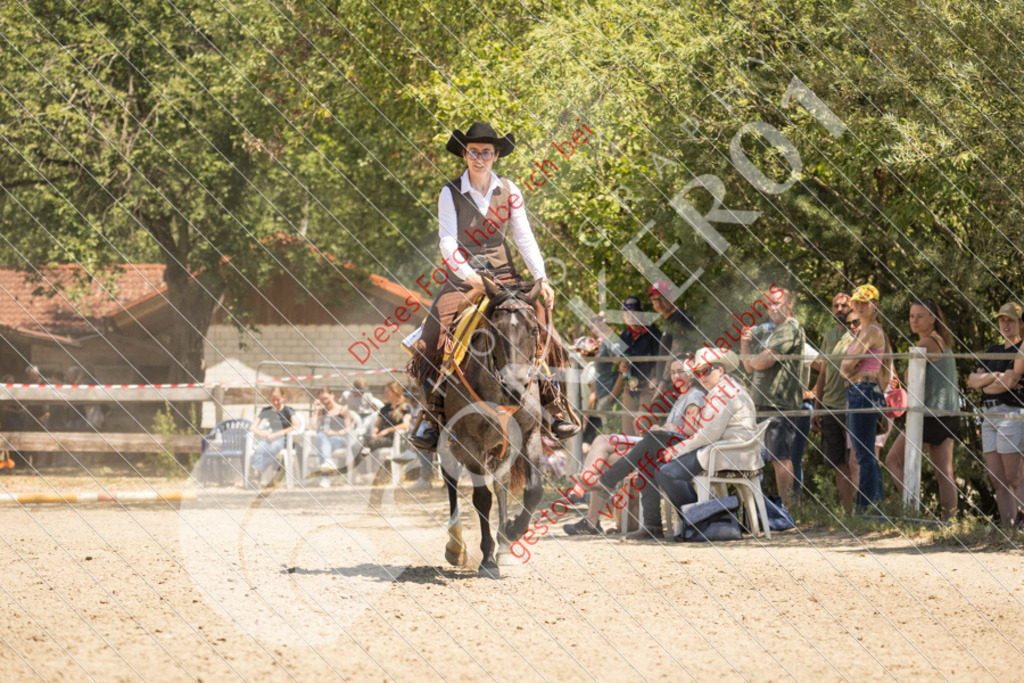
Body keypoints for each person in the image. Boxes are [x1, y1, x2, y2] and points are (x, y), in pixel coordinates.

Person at [409, 121, 577, 449]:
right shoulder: (449, 192)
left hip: (505, 277)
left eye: (486, 152)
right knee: (430, 341)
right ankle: (433, 414)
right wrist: (470, 276)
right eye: (473, 152)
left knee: (548, 331)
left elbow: (524, 237)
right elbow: (447, 242)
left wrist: (541, 277)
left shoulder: (510, 190)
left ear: (496, 155)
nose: (480, 158)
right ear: (464, 154)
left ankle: (553, 405)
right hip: (463, 280)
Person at [562, 359, 704, 538]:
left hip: (673, 450)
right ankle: (591, 493)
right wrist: (661, 428)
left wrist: (668, 428)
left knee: (606, 459)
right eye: (673, 372)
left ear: (691, 375)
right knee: (601, 440)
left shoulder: (694, 396)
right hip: (659, 444)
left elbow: (690, 430)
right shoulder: (683, 396)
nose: (676, 375)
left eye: (681, 371)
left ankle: (589, 502)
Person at [654, 348, 761, 514]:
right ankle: (700, 518)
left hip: (729, 453)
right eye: (698, 373)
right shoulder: (724, 389)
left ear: (720, 370)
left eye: (706, 371)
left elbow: (707, 436)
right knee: (665, 469)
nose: (702, 377)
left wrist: (676, 450)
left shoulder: (723, 394)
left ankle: (702, 518)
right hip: (732, 451)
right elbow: (706, 429)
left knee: (666, 472)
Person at [885, 298, 960, 520]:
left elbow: (911, 377)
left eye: (920, 316)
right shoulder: (943, 341)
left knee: (893, 461)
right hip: (949, 414)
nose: (914, 321)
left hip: (930, 416)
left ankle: (914, 512)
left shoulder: (927, 342)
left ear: (932, 318)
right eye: (911, 316)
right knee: (944, 473)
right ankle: (949, 522)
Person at [740, 288, 804, 508]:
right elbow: (750, 367)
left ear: (789, 304)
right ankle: (760, 510)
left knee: (780, 458)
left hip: (779, 404)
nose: (773, 308)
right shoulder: (772, 332)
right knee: (761, 459)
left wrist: (755, 358)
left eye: (777, 303)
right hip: (762, 403)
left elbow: (763, 362)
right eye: (769, 304)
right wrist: (746, 344)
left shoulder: (790, 328)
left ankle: (788, 510)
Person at [839, 285, 892, 512]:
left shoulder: (870, 331)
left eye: (865, 303)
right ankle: (873, 506)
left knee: (864, 455)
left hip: (863, 390)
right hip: (866, 390)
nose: (860, 307)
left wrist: (851, 369)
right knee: (866, 455)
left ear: (875, 305)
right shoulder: (872, 331)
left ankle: (867, 508)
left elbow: (846, 365)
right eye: (857, 302)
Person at [972, 303, 1024, 526]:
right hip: (988, 415)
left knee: (1014, 476)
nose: (1006, 324)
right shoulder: (993, 349)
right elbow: (971, 381)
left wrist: (986, 382)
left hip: (1010, 413)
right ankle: (1008, 528)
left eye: (1011, 320)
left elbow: (1011, 381)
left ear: (1020, 323)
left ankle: (1021, 525)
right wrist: (996, 377)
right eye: (1002, 319)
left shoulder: (1021, 349)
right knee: (998, 480)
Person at [812, 293, 858, 512]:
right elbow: (823, 372)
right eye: (835, 305)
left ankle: (865, 510)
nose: (839, 309)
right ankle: (849, 513)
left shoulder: (859, 333)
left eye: (844, 305)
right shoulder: (830, 335)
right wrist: (817, 408)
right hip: (829, 406)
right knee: (838, 462)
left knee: (856, 461)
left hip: (852, 406)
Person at [618, 295, 663, 438]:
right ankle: (628, 452)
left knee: (643, 426)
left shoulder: (653, 332)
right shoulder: (624, 336)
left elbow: (661, 359)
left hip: (648, 387)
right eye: (626, 313)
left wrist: (655, 379)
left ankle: (645, 452)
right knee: (627, 430)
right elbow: (622, 360)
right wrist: (622, 367)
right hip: (630, 387)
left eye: (634, 313)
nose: (630, 317)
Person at [350, 381, 413, 479]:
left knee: (374, 443)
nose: (385, 394)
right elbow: (377, 425)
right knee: (356, 445)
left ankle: (375, 472)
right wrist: (374, 432)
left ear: (395, 392)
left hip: (393, 438)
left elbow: (405, 425)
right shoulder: (385, 408)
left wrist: (387, 430)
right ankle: (364, 473)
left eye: (387, 391)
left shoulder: (405, 407)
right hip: (379, 437)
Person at [648, 280, 697, 393]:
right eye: (654, 300)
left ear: (672, 296)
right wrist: (655, 377)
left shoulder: (680, 318)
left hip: (676, 384)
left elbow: (677, 351)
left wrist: (663, 383)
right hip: (669, 383)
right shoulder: (669, 320)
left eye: (661, 298)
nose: (658, 303)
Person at [249, 387, 299, 485]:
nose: (275, 402)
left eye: (278, 400)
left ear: (283, 397)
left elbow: (296, 425)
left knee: (273, 448)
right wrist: (262, 433)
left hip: (282, 437)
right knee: (259, 448)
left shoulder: (288, 411)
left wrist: (279, 433)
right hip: (268, 436)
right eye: (273, 400)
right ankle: (256, 475)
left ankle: (256, 471)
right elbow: (252, 428)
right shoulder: (266, 410)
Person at [310, 387, 353, 488]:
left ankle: (325, 477)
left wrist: (335, 432)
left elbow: (348, 429)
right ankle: (328, 462)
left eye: (326, 398)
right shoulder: (321, 411)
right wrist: (315, 411)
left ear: (332, 395)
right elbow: (311, 427)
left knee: (321, 441)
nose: (325, 402)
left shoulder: (343, 410)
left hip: (339, 438)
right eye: (322, 400)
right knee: (320, 437)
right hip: (323, 439)